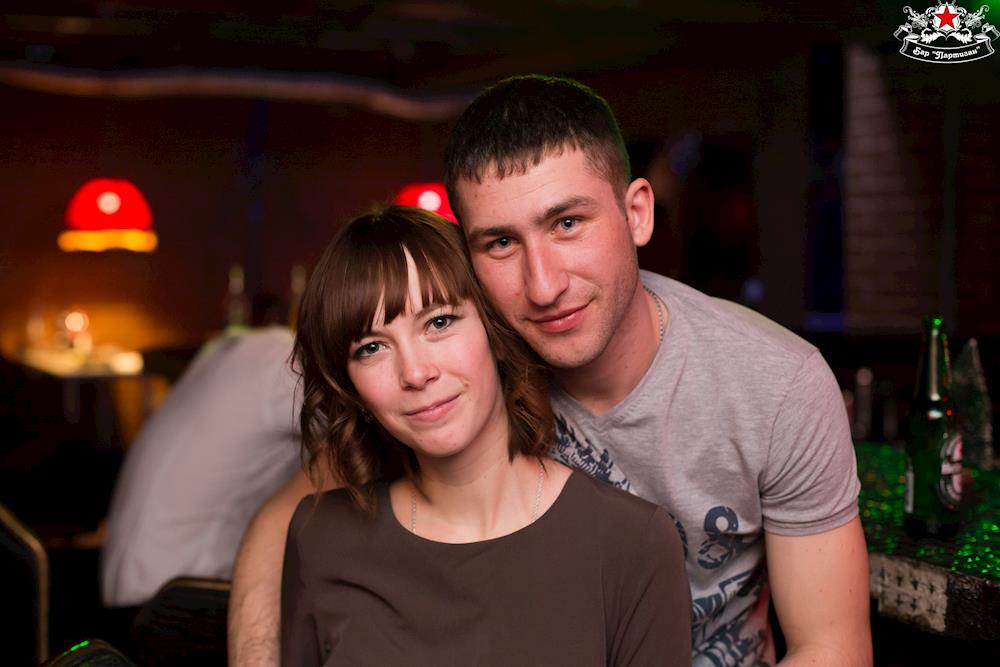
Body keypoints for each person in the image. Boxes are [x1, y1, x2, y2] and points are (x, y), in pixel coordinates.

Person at [229, 76, 872, 667]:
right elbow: (286, 527)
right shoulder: (463, 366)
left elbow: (831, 646)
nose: (543, 286)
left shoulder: (777, 384)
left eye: (567, 223)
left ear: (637, 213)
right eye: (501, 243)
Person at [280, 206, 691, 665]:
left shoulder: (631, 541)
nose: (415, 372)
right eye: (372, 348)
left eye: (439, 322)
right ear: (351, 387)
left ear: (493, 329)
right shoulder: (321, 536)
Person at [102, 327, 300, 607]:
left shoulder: (242, 349)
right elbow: (355, 432)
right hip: (172, 599)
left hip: (127, 584)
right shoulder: (284, 363)